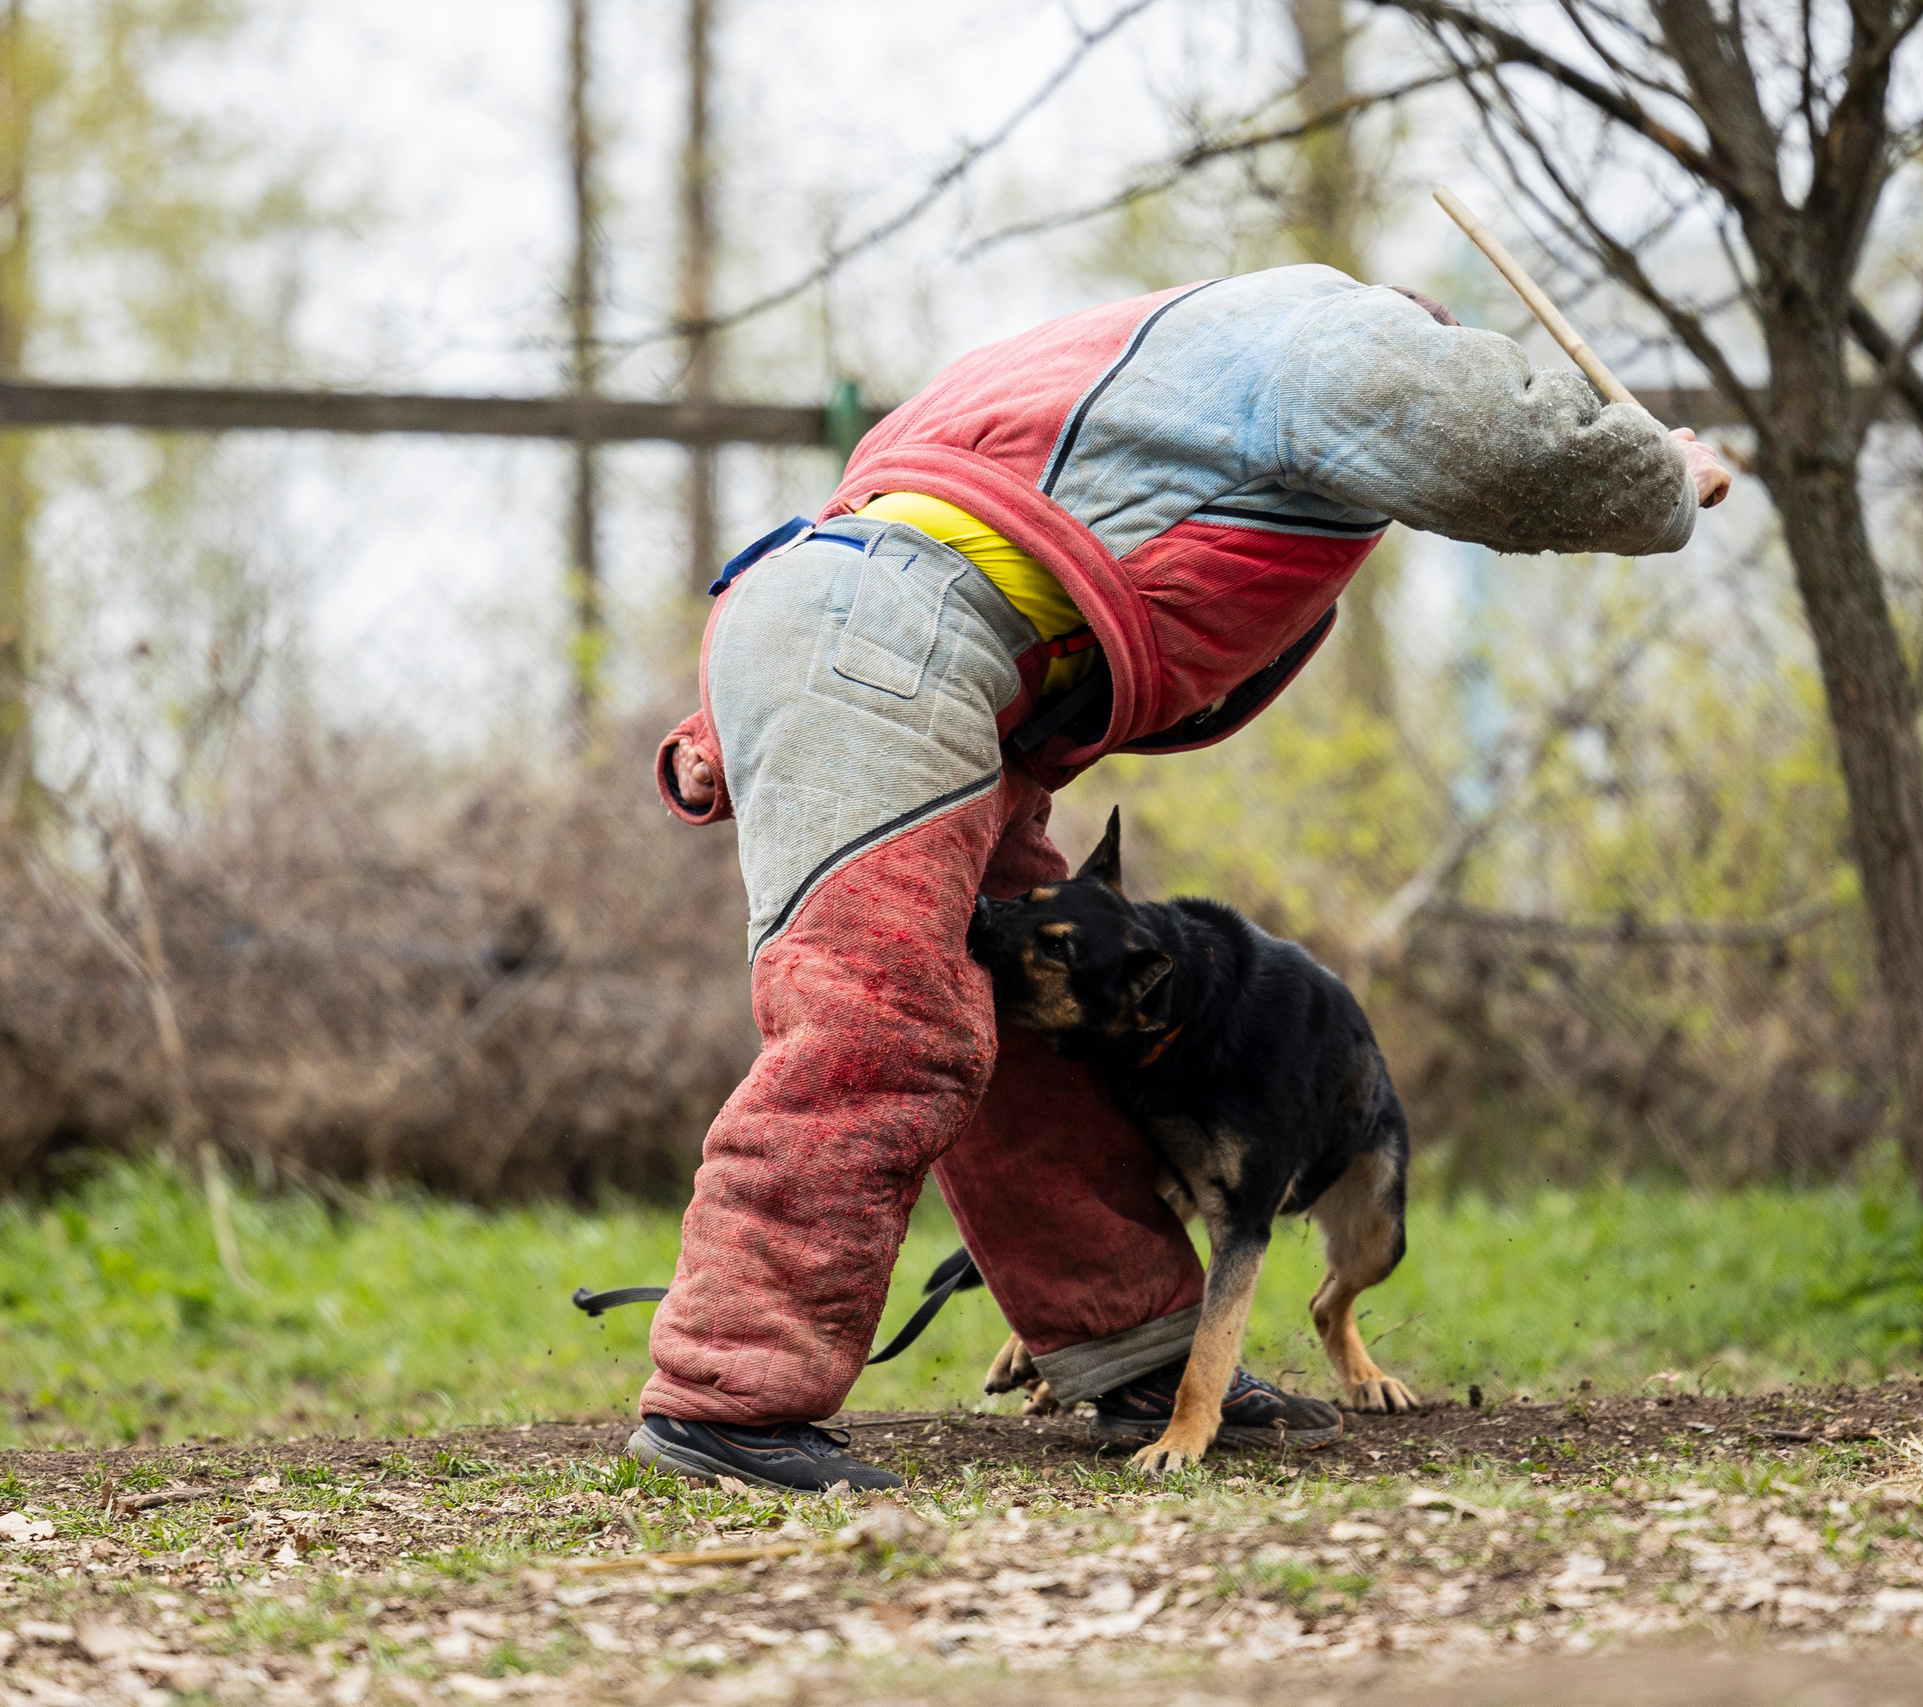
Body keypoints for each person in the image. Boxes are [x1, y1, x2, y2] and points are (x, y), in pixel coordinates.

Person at [632, 263, 1733, 1491]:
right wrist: (1656, 477)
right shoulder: (1334, 337)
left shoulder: (1125, 349)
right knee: (882, 1022)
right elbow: (1485, 437)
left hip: (877, 638)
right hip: (904, 653)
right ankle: (729, 1399)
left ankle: (1134, 1347)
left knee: (1037, 1014)